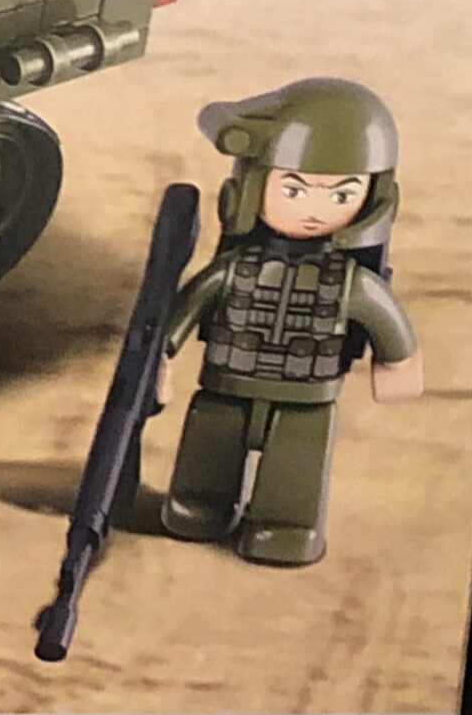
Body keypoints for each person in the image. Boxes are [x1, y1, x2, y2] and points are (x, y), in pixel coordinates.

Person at [158, 78, 423, 567]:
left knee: (294, 475)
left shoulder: (351, 283)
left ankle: (286, 526)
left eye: (341, 195)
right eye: (294, 190)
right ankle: (200, 504)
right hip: (225, 386)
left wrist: (399, 363)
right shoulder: (234, 269)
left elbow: (386, 319)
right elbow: (184, 311)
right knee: (207, 457)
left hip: (308, 400)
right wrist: (161, 359)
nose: (314, 210)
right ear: (252, 186)